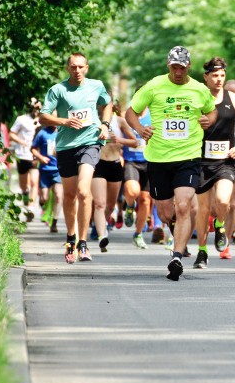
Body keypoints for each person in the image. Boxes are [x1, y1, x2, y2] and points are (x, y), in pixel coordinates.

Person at [125, 46, 217, 281]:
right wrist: (140, 129)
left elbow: (212, 112)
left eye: (182, 67)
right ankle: (177, 230)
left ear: (189, 66)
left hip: (188, 156)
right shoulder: (154, 86)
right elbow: (131, 112)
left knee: (184, 205)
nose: (178, 72)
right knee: (166, 212)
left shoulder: (199, 89)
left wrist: (208, 120)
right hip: (158, 158)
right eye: (174, 67)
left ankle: (176, 256)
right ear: (168, 65)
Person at [39, 52, 113, 263]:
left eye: (81, 67)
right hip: (66, 147)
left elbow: (107, 104)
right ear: (67, 68)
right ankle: (71, 237)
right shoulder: (58, 90)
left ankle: (83, 242)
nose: (77, 70)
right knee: (70, 195)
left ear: (87, 68)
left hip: (90, 143)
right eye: (73, 67)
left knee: (83, 190)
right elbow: (43, 117)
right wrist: (64, 121)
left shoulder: (96, 85)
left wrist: (105, 125)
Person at [194, 57, 235, 268]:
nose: (219, 80)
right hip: (201, 160)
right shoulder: (197, 99)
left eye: (222, 75)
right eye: (215, 76)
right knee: (202, 209)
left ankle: (219, 224)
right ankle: (202, 251)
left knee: (224, 200)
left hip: (226, 160)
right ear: (206, 77)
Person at [91, 108, 137, 252]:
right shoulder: (92, 119)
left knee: (110, 206)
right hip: (97, 163)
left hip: (115, 164)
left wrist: (119, 140)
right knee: (99, 203)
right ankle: (101, 235)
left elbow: (134, 142)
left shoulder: (119, 121)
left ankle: (101, 224)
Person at [122, 104, 154, 250]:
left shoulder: (154, 116)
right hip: (131, 161)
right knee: (132, 190)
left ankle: (138, 234)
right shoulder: (126, 116)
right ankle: (129, 206)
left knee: (145, 200)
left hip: (149, 162)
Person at [9, 98, 41, 221]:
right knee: (24, 186)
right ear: (30, 108)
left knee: (34, 183)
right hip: (22, 155)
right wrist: (22, 141)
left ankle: (31, 207)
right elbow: (12, 134)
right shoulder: (21, 119)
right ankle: (27, 205)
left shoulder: (41, 121)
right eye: (35, 108)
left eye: (39, 109)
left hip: (34, 155)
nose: (37, 111)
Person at [30, 124, 62, 233]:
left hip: (58, 170)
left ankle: (54, 222)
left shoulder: (62, 131)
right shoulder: (42, 133)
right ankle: (43, 204)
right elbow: (33, 149)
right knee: (44, 198)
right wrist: (41, 157)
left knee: (58, 195)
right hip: (45, 170)